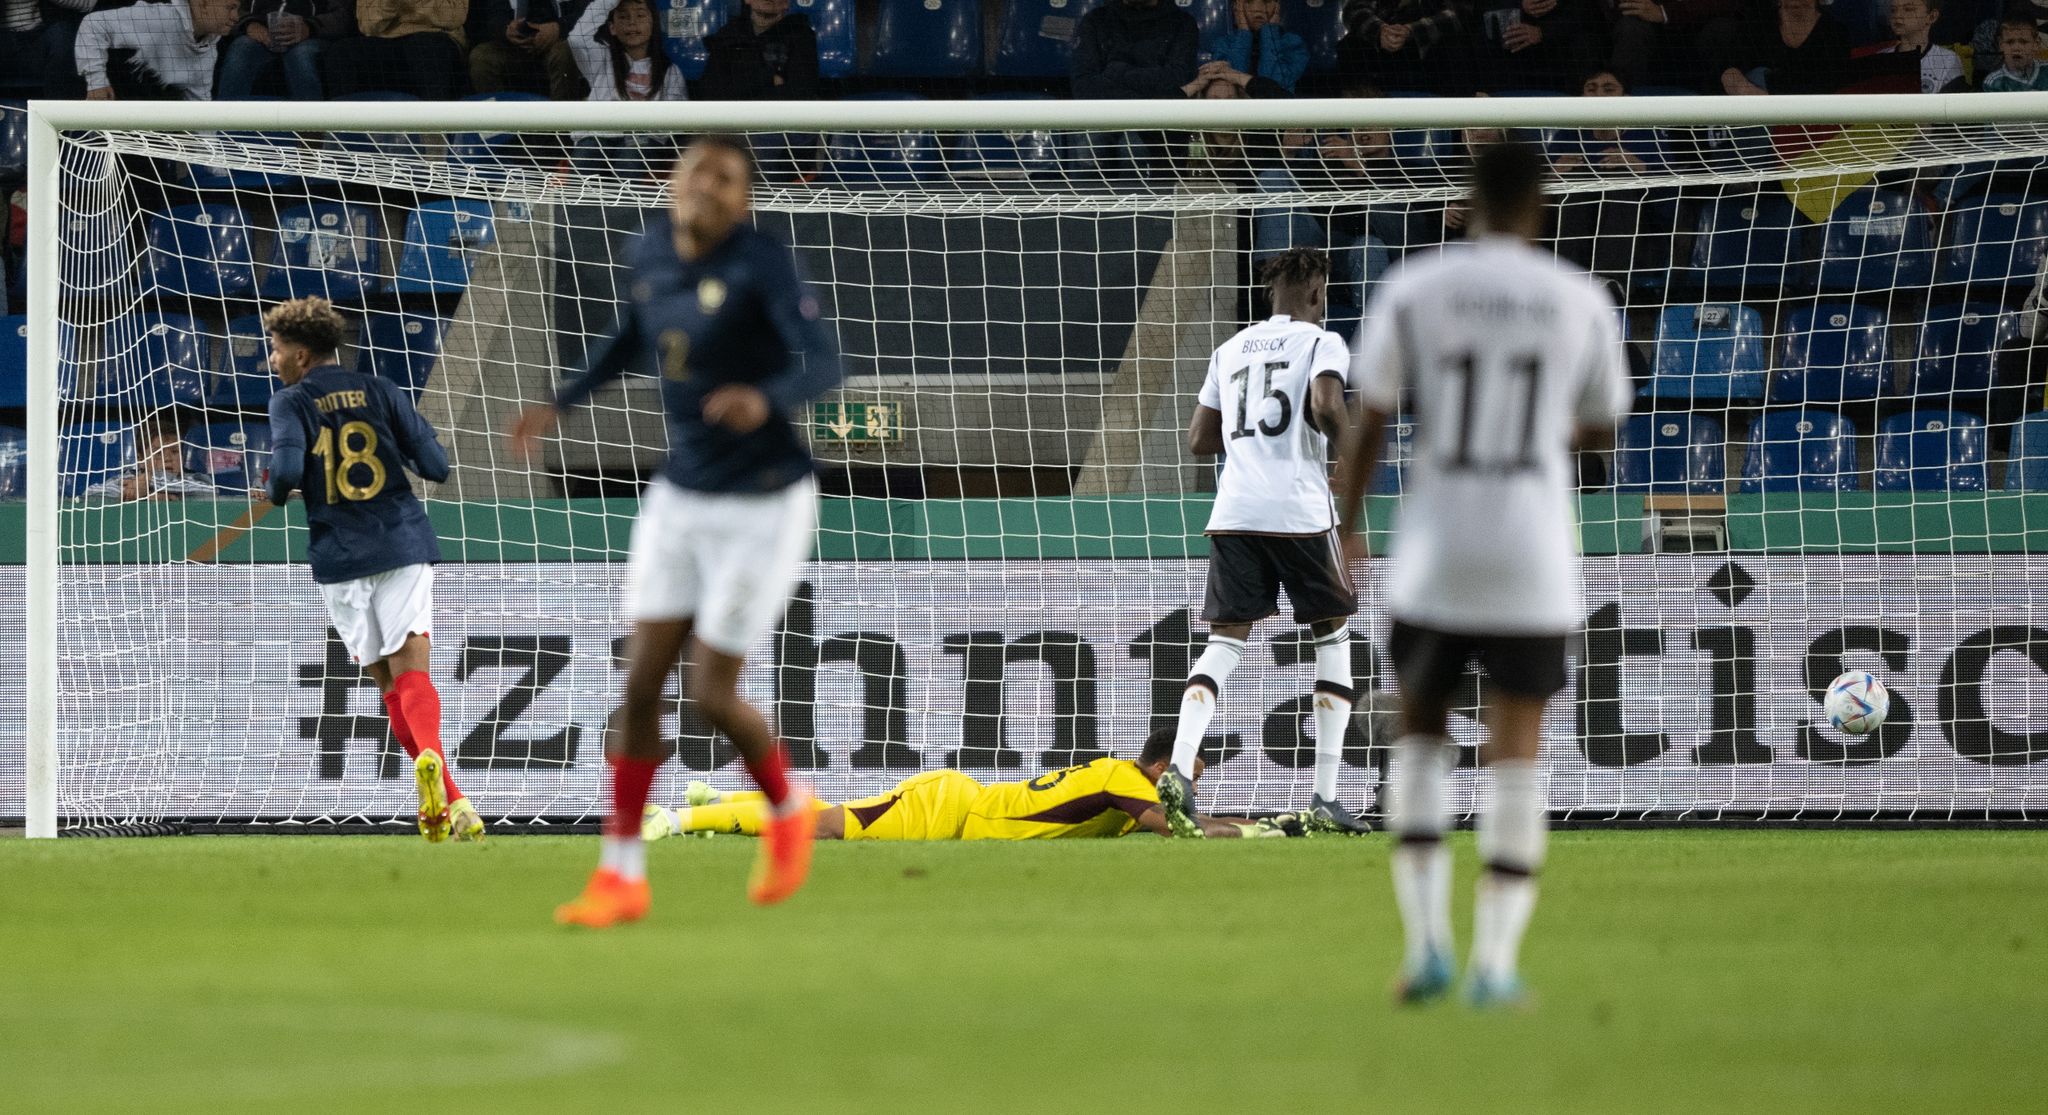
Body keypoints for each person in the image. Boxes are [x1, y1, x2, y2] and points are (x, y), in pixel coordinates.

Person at [509, 135, 843, 928]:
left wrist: (767, 397)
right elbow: (635, 335)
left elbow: (825, 359)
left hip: (765, 500)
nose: (707, 186)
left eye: (726, 178)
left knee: (710, 693)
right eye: (696, 171)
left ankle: (788, 807)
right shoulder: (649, 250)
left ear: (745, 199)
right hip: (681, 493)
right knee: (638, 682)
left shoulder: (763, 261)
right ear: (672, 182)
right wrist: (564, 398)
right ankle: (621, 874)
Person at [1333, 142, 1631, 1007]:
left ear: (1469, 202)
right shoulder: (1578, 298)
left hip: (1438, 547)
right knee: (1517, 754)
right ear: (1540, 206)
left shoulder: (1416, 286)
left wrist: (1348, 524)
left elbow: (1370, 419)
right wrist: (1541, 430)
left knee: (1420, 737)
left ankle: (1426, 947)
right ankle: (1494, 967)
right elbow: (1604, 430)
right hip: (1532, 553)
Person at [1154, 247, 1367, 840]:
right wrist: (1348, 464)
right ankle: (1325, 798)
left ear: (1269, 294)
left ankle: (1179, 768)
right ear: (1318, 294)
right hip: (1298, 510)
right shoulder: (1323, 341)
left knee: (1224, 643)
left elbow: (1200, 437)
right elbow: (1326, 403)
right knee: (1333, 636)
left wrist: (1251, 446)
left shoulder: (1229, 349)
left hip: (1235, 510)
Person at [262, 296, 485, 844]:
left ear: (303, 354)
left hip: (342, 555)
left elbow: (286, 472)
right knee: (414, 669)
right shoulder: (383, 391)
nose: (272, 359)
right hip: (402, 542)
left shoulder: (290, 401)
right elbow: (435, 465)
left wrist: (275, 488)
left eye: (277, 349)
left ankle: (448, 799)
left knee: (384, 679)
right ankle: (443, 789)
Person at [646, 732, 1298, 842]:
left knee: (829, 814)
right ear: (1163, 767)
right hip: (952, 807)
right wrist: (1253, 829)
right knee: (824, 826)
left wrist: (1243, 825)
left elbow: (1172, 820)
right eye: (1186, 778)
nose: (1186, 791)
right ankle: (678, 820)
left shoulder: (1126, 786)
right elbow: (1174, 825)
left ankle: (719, 802)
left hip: (965, 813)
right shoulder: (1124, 781)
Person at [74, 0, 238, 100]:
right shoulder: (157, 18)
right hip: (111, 111)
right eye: (230, 8)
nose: (236, 17)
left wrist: (207, 154)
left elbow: (199, 106)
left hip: (151, 130)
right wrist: (96, 83)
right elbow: (92, 24)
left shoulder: (209, 49)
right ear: (204, 3)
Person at [323, 0, 469, 100]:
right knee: (341, 53)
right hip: (385, 42)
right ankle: (346, 136)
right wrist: (392, 3)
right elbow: (368, 26)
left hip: (436, 39)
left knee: (424, 48)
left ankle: (436, 137)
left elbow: (454, 15)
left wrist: (407, 4)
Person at [1704, 0, 1853, 95]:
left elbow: (1828, 88)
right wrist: (1745, 90)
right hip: (1755, 117)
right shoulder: (1758, 22)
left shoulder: (1835, 33)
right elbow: (1728, 67)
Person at [217, 0, 353, 100]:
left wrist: (310, 27)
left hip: (314, 35)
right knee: (241, 48)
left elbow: (343, 17)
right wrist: (248, 24)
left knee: (300, 56)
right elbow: (227, 7)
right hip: (262, 33)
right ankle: (222, 129)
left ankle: (312, 133)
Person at [1336, 0, 1474, 95]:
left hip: (1430, 49)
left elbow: (1459, 13)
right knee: (1349, 47)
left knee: (1456, 46)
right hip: (1384, 43)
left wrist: (1411, 31)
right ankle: (1353, 124)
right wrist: (1380, 31)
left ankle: (1454, 127)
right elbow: (1353, 10)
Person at [1071, 0, 1200, 98]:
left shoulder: (1183, 23)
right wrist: (1151, 85)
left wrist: (1116, 71)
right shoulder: (1095, 20)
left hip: (1158, 120)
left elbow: (1179, 79)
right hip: (1104, 118)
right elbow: (1083, 87)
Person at [696, 0, 819, 100]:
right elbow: (711, 89)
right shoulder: (729, 34)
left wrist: (741, 82)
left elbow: (801, 91)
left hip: (781, 122)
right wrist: (769, 79)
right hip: (734, 121)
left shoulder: (801, 35)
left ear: (786, 3)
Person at [1473, 0, 1603, 92]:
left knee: (1585, 42)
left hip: (1561, 63)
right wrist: (1518, 5)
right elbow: (1479, 10)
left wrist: (1543, 32)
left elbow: (1591, 16)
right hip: (1509, 65)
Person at [468, 0, 586, 99]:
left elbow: (590, 12)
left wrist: (559, 28)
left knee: (566, 52)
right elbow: (490, 16)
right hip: (514, 45)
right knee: (481, 57)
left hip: (559, 40)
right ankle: (500, 121)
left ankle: (561, 122)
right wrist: (506, 29)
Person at [568, 0, 684, 100]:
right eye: (623, 16)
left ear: (653, 23)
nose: (632, 22)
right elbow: (576, 39)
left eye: (640, 15)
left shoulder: (671, 72)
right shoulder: (601, 61)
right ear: (612, 28)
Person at [1193, 0, 1309, 97]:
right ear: (1237, 7)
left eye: (1266, 1)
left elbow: (1273, 90)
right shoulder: (1222, 44)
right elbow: (1234, 90)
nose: (1258, 8)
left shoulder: (1293, 44)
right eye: (1249, 1)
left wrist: (1270, 32)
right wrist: (1244, 32)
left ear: (1277, 6)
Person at [0, 0, 94, 98]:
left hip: (37, 42)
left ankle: (57, 109)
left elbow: (88, 4)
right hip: (4, 42)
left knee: (61, 33)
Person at [1878, 0, 1964, 93]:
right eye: (1893, 10)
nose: (1897, 15)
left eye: (1908, 9)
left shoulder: (1948, 60)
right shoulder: (1880, 58)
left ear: (1931, 17)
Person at [1979, 13, 2048, 89]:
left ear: (2036, 44)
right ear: (2001, 44)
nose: (2016, 48)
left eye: (2023, 42)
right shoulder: (1993, 82)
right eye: (2010, 42)